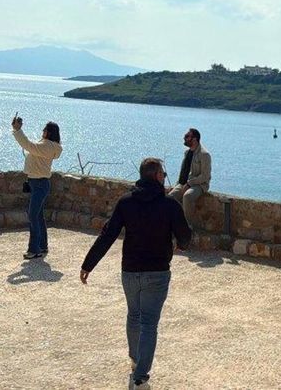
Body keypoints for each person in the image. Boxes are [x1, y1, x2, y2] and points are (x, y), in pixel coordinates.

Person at [80, 158, 192, 390]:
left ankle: (134, 361)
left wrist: (88, 264)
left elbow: (107, 234)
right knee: (149, 322)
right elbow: (185, 237)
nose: (165, 176)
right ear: (157, 176)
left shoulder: (126, 202)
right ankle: (140, 377)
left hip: (130, 271)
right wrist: (179, 244)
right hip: (158, 273)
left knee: (134, 316)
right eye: (163, 173)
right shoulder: (170, 206)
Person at [11, 115, 63, 260]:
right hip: (37, 183)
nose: (42, 131)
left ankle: (34, 250)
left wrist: (17, 130)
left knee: (33, 215)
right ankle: (43, 246)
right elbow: (31, 147)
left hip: (39, 184)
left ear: (49, 132)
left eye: (45, 129)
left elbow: (28, 145)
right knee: (38, 216)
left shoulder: (47, 146)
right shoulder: (47, 145)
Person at [168, 128, 211, 228]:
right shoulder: (187, 153)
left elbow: (205, 176)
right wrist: (176, 186)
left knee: (187, 196)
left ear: (195, 139)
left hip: (200, 184)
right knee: (170, 198)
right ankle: (171, 224)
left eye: (187, 136)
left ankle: (187, 226)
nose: (184, 138)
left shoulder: (204, 155)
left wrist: (189, 183)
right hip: (184, 183)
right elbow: (183, 172)